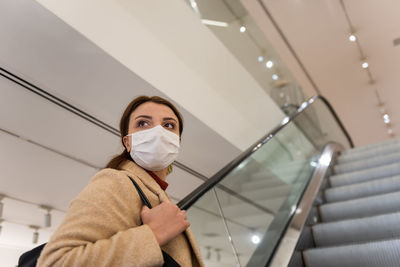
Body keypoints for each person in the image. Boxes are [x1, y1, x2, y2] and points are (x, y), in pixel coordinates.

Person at [37, 96, 204, 267]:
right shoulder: (116, 181)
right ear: (128, 142)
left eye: (169, 125)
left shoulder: (157, 194)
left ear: (178, 142)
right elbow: (55, 262)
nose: (158, 132)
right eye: (143, 123)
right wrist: (153, 235)